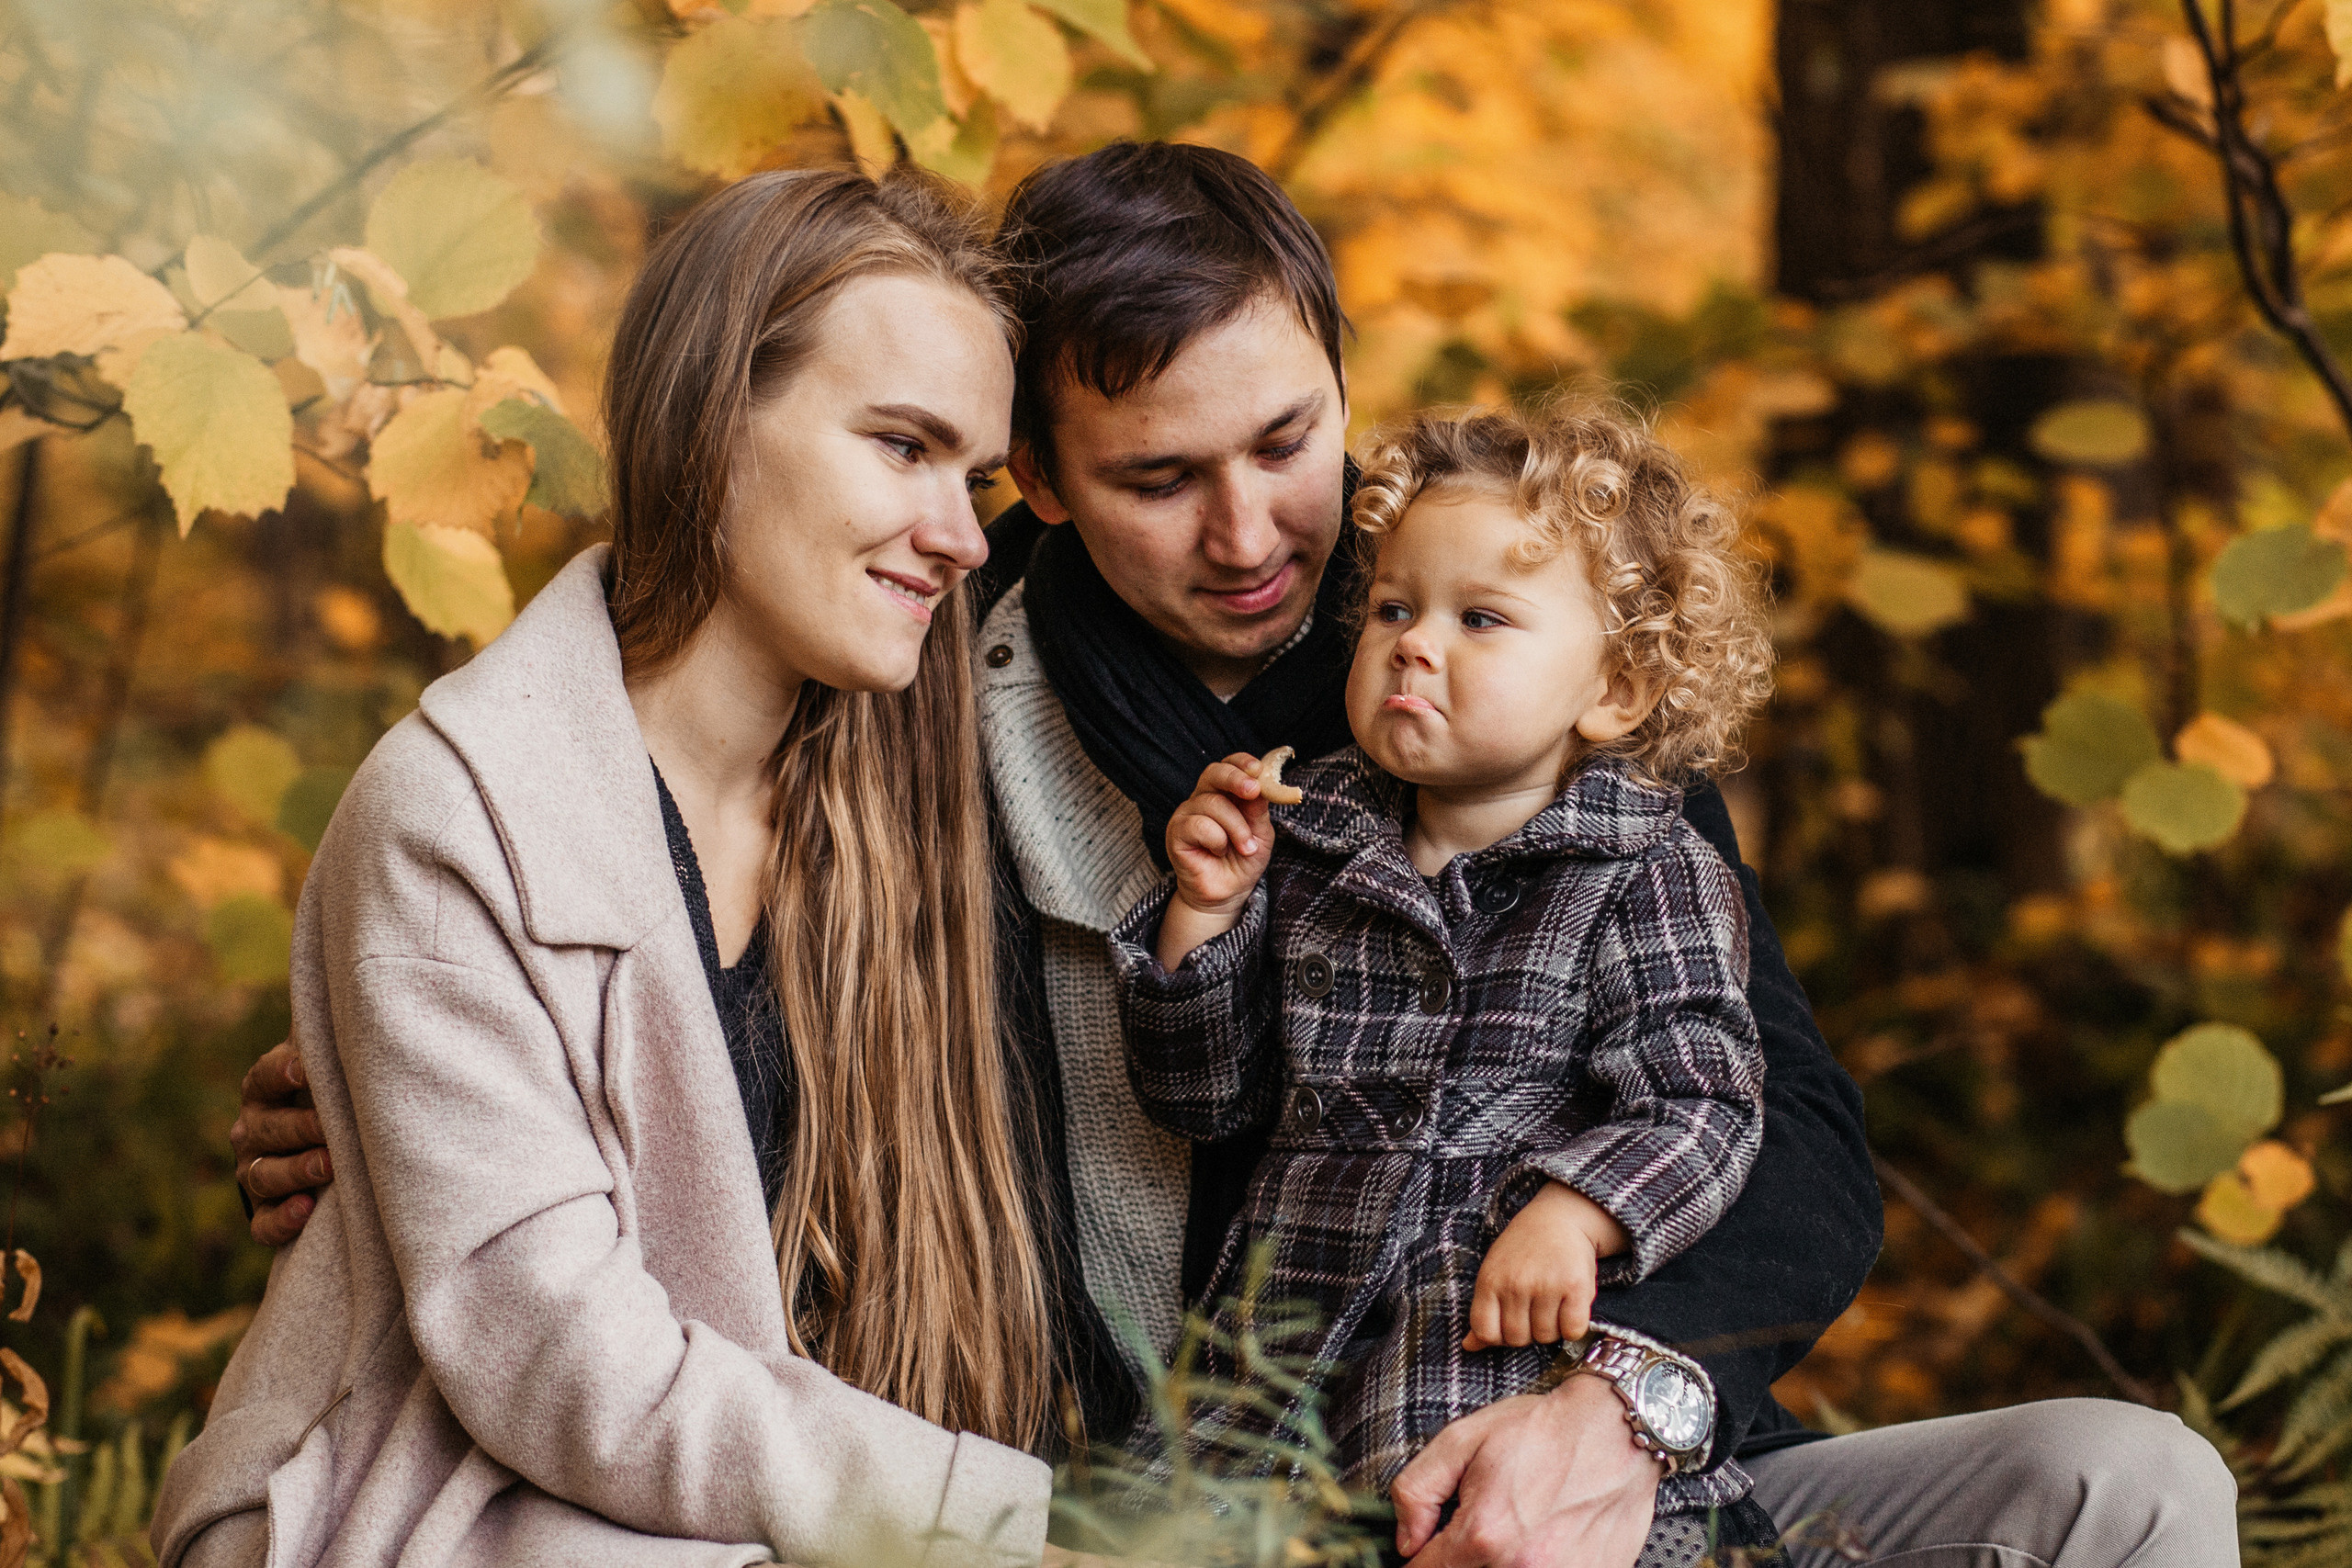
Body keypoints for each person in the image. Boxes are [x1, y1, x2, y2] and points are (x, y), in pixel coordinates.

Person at [232, 142, 2239, 1567]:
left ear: (1342, 374)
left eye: (1286, 438)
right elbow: (664, 928)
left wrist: (1618, 1411)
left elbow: (1781, 1122)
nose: (1254, 534)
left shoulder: (1510, 652)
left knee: (2129, 1486)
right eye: (1157, 478)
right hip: (1207, 1485)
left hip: (1600, 1454)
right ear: (1039, 477)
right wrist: (400, 1092)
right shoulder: (921, 693)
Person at [156, 167, 1075, 1568]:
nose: (961, 532)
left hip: (725, 1505)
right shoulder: (462, 814)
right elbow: (554, 1350)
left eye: (979, 478)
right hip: (441, 1510)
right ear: (711, 425)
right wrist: (994, 1520)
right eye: (903, 446)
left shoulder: (908, 802)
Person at [1112, 401, 1771, 1552]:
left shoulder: (1644, 868)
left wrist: (1583, 1208)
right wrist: (1203, 917)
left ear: (1613, 688)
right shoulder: (1314, 839)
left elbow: (1706, 1098)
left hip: (1485, 1359)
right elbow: (1206, 1102)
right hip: (1271, 1356)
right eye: (1393, 609)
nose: (1416, 642)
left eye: (1481, 619)